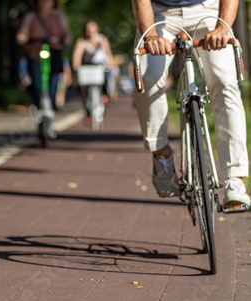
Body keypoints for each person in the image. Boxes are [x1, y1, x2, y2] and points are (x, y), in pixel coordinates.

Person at [132, 0, 250, 207]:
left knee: (224, 80)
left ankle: (235, 178)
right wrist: (150, 36)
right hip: (160, 13)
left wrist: (223, 26)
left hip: (208, 8)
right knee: (148, 77)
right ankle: (161, 156)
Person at [16, 0, 72, 111]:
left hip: (54, 51)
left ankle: (51, 104)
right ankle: (38, 104)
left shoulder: (59, 16)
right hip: (35, 53)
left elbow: (67, 32)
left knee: (53, 80)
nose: (44, 2)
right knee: (36, 83)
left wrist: (67, 39)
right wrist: (22, 37)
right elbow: (23, 32)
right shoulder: (31, 16)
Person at [72, 21, 115, 125]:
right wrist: (76, 66)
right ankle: (88, 112)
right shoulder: (82, 42)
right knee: (83, 90)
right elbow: (76, 57)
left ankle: (105, 95)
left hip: (100, 69)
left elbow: (108, 54)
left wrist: (110, 63)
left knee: (106, 77)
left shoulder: (102, 39)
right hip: (87, 70)